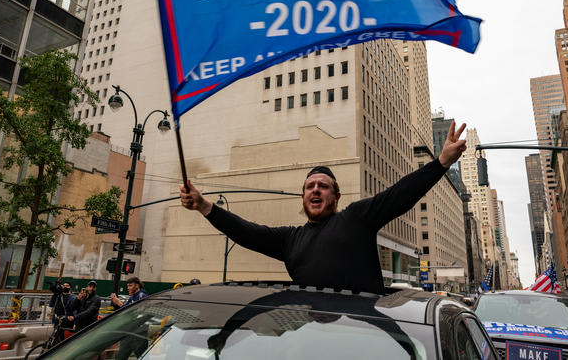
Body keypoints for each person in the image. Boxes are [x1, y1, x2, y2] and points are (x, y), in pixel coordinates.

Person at [180, 120, 467, 294]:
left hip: (365, 337)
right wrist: (205, 206)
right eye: (309, 186)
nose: (315, 189)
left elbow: (400, 195)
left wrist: (441, 163)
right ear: (303, 197)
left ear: (336, 196)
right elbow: (247, 233)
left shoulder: (356, 218)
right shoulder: (290, 239)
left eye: (323, 186)